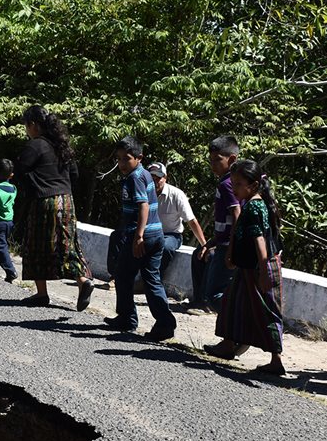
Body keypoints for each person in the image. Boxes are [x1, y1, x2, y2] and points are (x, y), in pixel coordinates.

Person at [204, 159, 285, 375]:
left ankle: (276, 360)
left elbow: (259, 240)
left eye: (239, 184)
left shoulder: (254, 207)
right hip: (247, 267)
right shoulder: (251, 203)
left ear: (254, 185)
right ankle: (228, 345)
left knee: (266, 311)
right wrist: (232, 253)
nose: (235, 188)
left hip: (257, 268)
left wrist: (264, 269)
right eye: (233, 184)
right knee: (233, 305)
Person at [14, 105, 93, 310]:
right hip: (66, 200)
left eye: (26, 125)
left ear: (33, 125)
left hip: (44, 201)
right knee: (68, 244)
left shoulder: (36, 145)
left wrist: (35, 186)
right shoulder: (61, 146)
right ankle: (83, 281)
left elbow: (21, 171)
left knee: (36, 244)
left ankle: (41, 294)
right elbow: (74, 175)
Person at [103, 137, 176, 341]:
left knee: (123, 275)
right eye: (118, 159)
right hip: (156, 234)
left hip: (142, 235)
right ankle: (165, 323)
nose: (121, 164)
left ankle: (128, 318)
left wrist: (138, 236)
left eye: (126, 159)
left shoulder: (135, 177)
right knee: (151, 279)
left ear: (139, 158)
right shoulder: (144, 174)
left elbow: (143, 205)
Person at [190, 135, 241, 312]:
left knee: (215, 296)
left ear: (232, 159)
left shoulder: (228, 184)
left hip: (228, 246)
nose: (213, 165)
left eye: (217, 160)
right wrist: (211, 242)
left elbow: (236, 214)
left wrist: (231, 248)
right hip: (223, 243)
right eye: (210, 160)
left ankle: (241, 321)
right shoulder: (228, 182)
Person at [147, 162, 207, 274]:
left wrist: (204, 244)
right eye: (151, 178)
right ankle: (117, 276)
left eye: (158, 178)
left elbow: (191, 220)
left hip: (171, 235)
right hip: (149, 232)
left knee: (165, 247)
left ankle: (154, 279)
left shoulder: (177, 195)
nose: (155, 181)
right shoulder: (144, 193)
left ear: (165, 177)